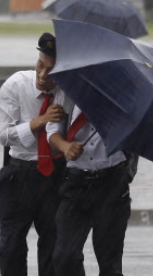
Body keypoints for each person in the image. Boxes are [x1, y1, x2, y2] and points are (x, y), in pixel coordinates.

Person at [0, 32, 66, 276]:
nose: (43, 75)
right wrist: (39, 122)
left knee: (54, 250)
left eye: (52, 72)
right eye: (40, 65)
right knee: (11, 248)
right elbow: (4, 134)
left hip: (54, 177)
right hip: (19, 175)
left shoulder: (68, 94)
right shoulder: (16, 85)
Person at [48, 104, 132, 276]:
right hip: (76, 182)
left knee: (110, 265)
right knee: (65, 257)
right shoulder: (66, 94)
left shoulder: (124, 97)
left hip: (113, 181)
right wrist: (65, 147)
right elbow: (52, 131)